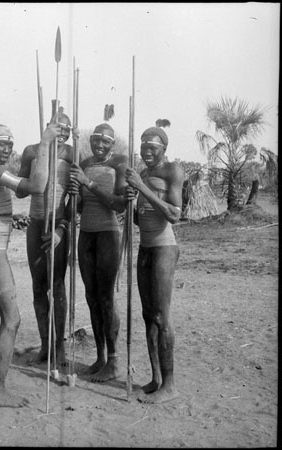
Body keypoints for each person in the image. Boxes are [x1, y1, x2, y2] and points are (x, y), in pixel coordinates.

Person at [0, 115, 61, 408]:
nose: (7, 149)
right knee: (12, 320)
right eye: (1, 144)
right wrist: (44, 143)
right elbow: (36, 186)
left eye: (10, 144)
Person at [124, 126, 184, 404]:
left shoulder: (173, 170)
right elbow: (142, 216)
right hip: (145, 247)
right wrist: (131, 204)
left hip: (164, 247)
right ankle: (156, 379)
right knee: (148, 316)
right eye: (143, 147)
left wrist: (142, 188)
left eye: (153, 148)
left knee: (161, 316)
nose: (147, 152)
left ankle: (170, 386)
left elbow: (173, 214)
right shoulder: (143, 173)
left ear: (164, 148)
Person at [69, 122, 128, 382]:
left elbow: (119, 204)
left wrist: (89, 184)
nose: (100, 144)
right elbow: (81, 206)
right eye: (96, 140)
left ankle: (114, 361)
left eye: (105, 141)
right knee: (91, 296)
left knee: (106, 297)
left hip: (107, 234)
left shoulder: (120, 164)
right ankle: (101, 357)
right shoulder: (83, 164)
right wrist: (75, 194)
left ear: (112, 144)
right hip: (86, 234)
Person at [16, 111, 75, 367]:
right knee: (38, 286)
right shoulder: (31, 151)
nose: (61, 134)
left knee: (58, 286)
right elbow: (21, 191)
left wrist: (62, 229)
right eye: (57, 128)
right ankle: (45, 345)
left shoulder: (73, 155)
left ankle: (59, 348)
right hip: (36, 223)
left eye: (67, 130)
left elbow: (77, 197)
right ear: (48, 127)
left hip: (58, 226)